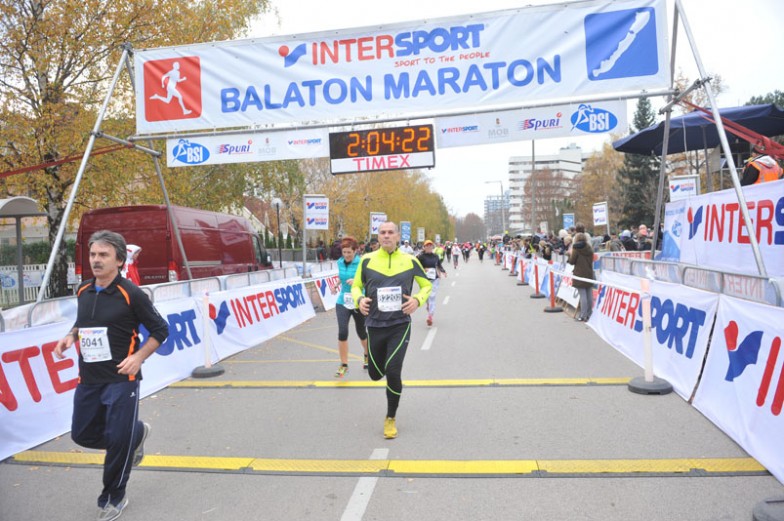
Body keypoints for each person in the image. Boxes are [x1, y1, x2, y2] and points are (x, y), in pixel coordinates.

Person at [54, 230, 169, 521]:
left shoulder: (132, 293)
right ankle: (135, 435)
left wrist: (138, 358)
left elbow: (161, 330)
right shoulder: (83, 290)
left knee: (118, 441)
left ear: (119, 260)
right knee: (82, 434)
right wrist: (70, 336)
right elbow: (84, 321)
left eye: (103, 255)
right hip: (89, 377)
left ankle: (113, 498)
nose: (96, 260)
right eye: (93, 254)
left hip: (121, 378)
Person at [352, 222, 432, 439]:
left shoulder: (410, 260)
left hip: (400, 325)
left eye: (390, 233)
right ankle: (378, 369)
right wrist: (359, 299)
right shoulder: (367, 260)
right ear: (378, 237)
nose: (386, 236)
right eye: (382, 233)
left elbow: (426, 285)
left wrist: (417, 300)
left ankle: (390, 417)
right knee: (375, 374)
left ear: (398, 237)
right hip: (374, 324)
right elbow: (356, 286)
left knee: (393, 371)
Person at [333, 236, 369, 377]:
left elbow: (369, 280)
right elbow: (341, 276)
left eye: (349, 252)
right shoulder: (340, 262)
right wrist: (336, 284)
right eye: (344, 252)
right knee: (342, 332)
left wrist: (356, 281)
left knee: (361, 332)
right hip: (343, 300)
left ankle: (367, 355)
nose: (346, 255)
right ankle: (344, 365)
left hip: (358, 300)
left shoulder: (361, 262)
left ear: (355, 251)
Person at [416, 240, 447, 326]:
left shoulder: (435, 256)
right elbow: (417, 267)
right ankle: (428, 305)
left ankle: (430, 316)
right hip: (424, 280)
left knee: (432, 296)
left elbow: (439, 265)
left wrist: (443, 271)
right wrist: (423, 269)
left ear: (432, 247)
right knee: (426, 296)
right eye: (427, 246)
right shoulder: (421, 257)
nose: (429, 247)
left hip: (434, 279)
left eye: (430, 246)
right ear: (424, 247)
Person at [568, 232, 595, 322]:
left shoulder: (576, 248)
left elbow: (572, 261)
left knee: (582, 295)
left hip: (579, 274)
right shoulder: (589, 248)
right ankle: (589, 314)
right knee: (589, 295)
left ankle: (583, 315)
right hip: (589, 273)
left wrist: (569, 255)